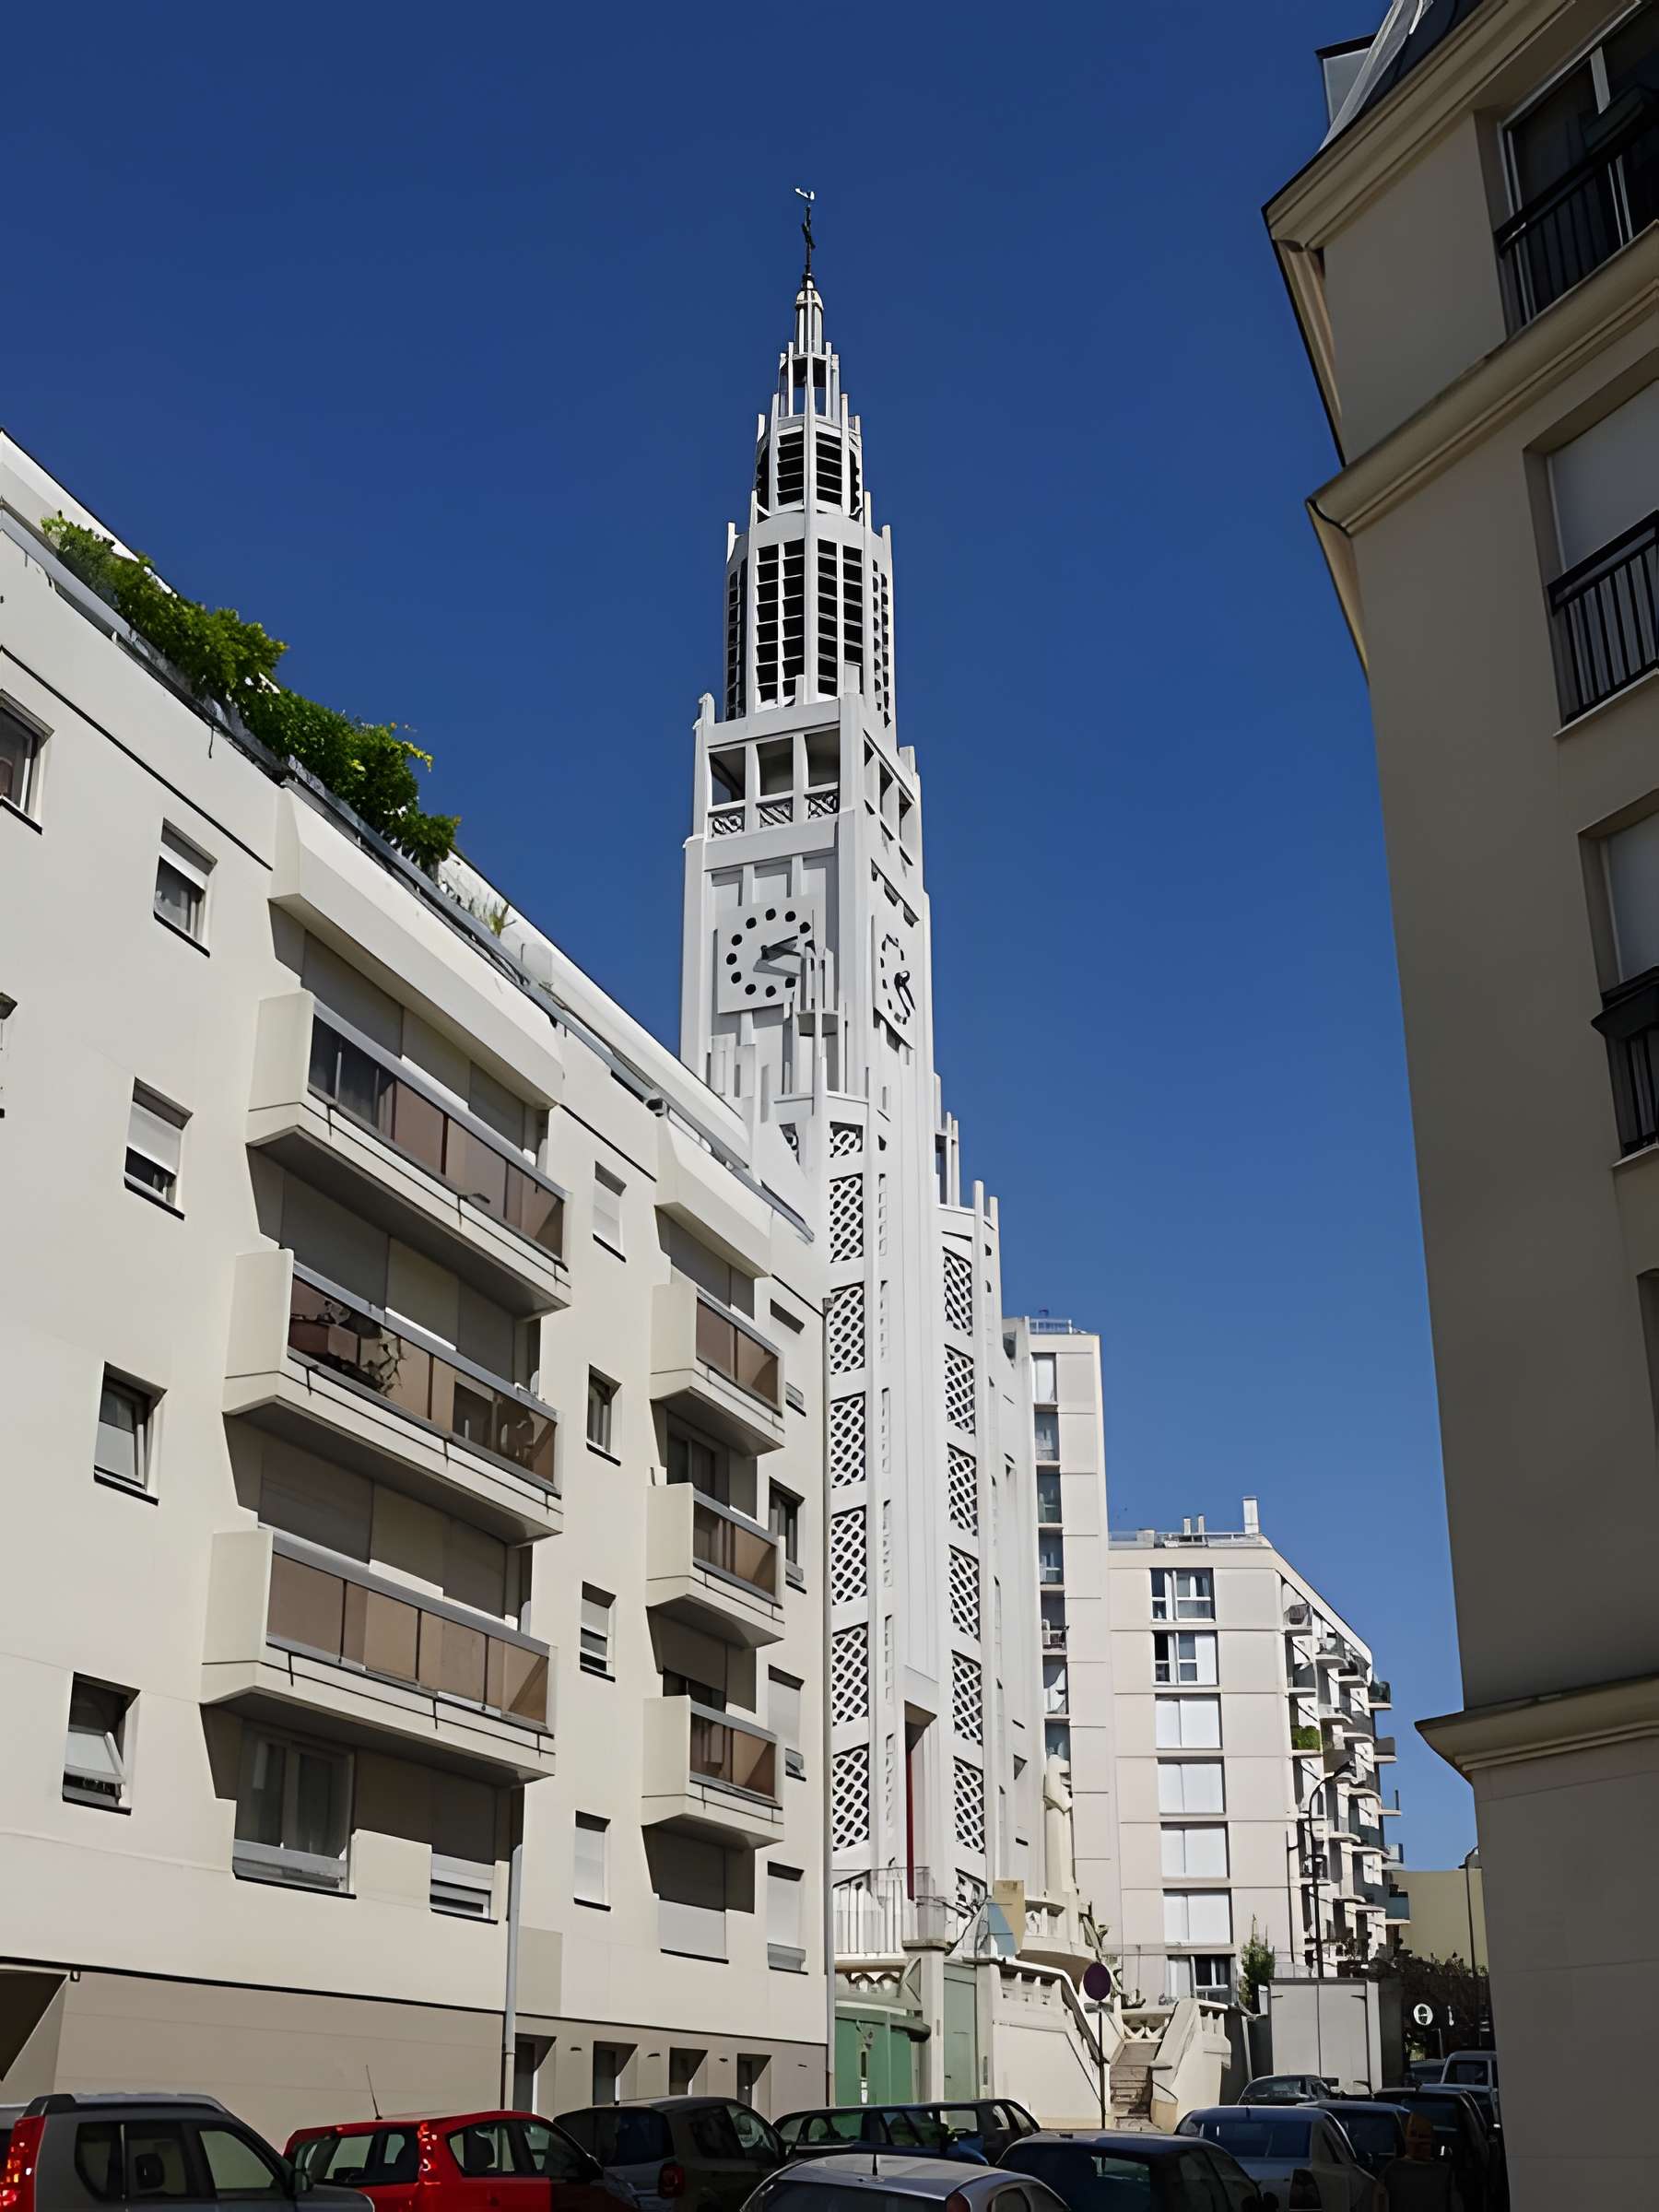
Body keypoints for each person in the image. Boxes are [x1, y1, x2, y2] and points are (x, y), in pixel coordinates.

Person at [1379, 2112, 1462, 2210]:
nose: (1417, 2141)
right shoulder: (1445, 2172)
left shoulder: (1392, 2169)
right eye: (1413, 2135)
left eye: (1422, 2136)